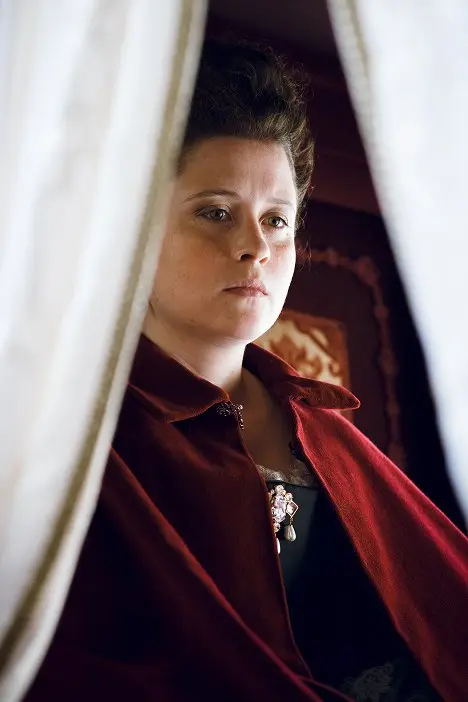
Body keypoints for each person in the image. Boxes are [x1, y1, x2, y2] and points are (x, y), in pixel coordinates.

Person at [25, 40, 467, 702]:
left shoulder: (326, 431)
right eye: (216, 212)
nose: (256, 247)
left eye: (276, 220)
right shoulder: (68, 434)